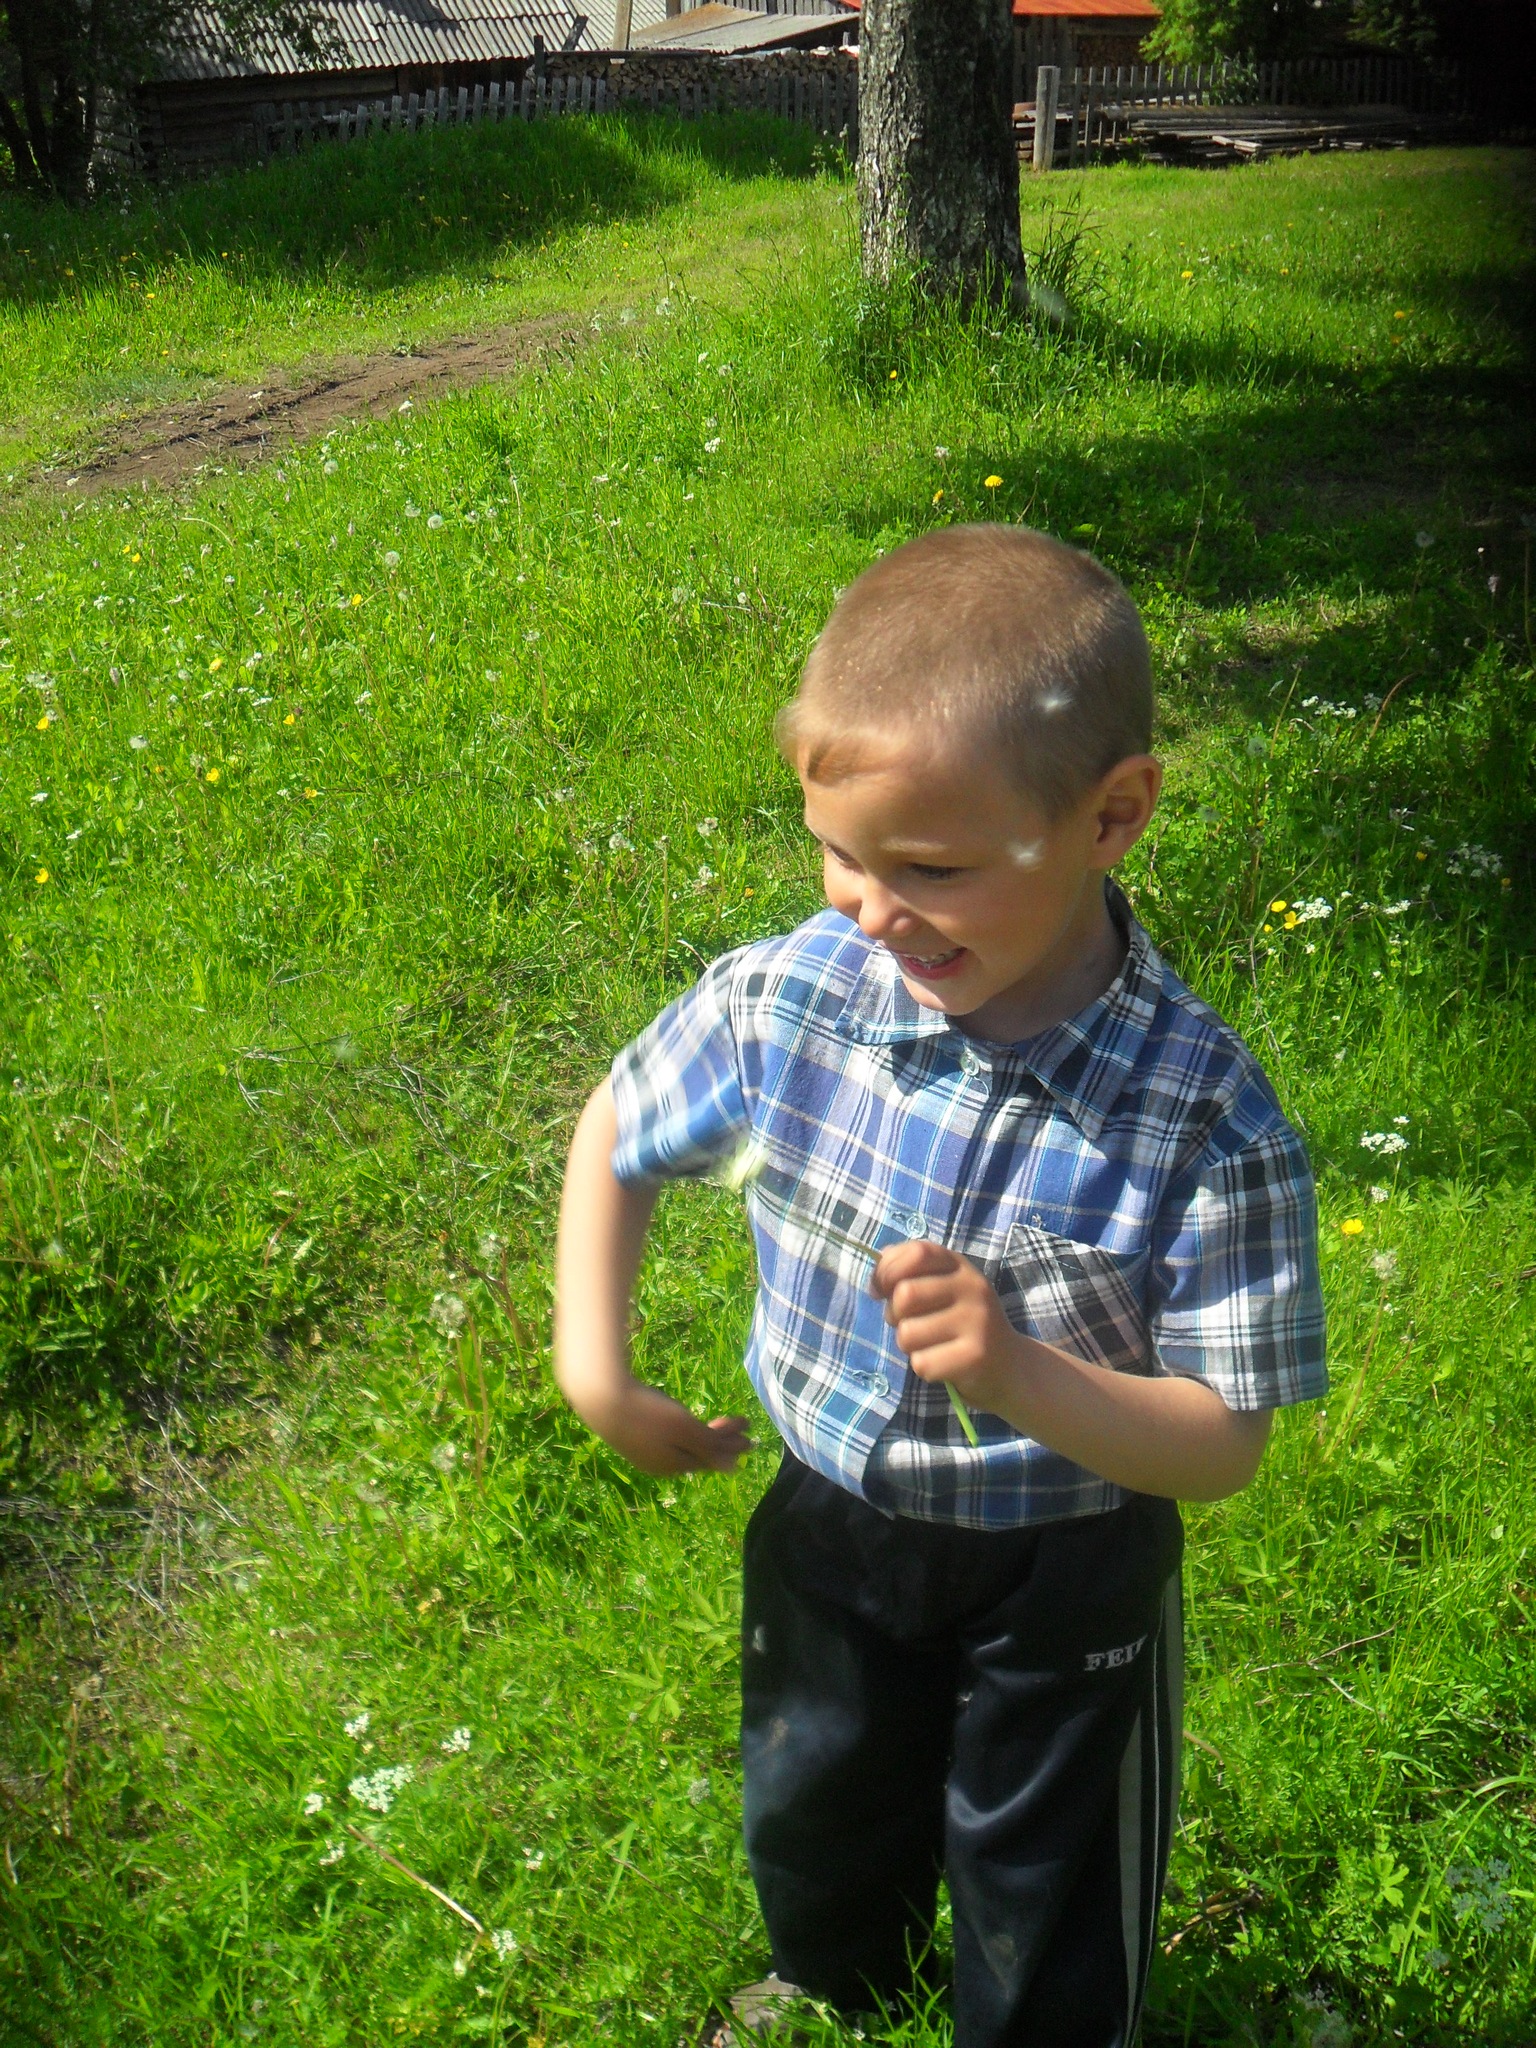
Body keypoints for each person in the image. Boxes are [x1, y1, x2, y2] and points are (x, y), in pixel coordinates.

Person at [554, 525, 1326, 2048]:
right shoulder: (792, 998)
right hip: (830, 1512)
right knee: (816, 1786)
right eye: (841, 853)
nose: (871, 910)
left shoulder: (1203, 1121)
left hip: (1067, 1563)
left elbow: (1223, 1443)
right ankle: (835, 1982)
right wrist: (598, 1363)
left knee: (1047, 1866)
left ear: (1113, 816)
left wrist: (1020, 1371)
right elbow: (619, 1129)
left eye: (933, 871)